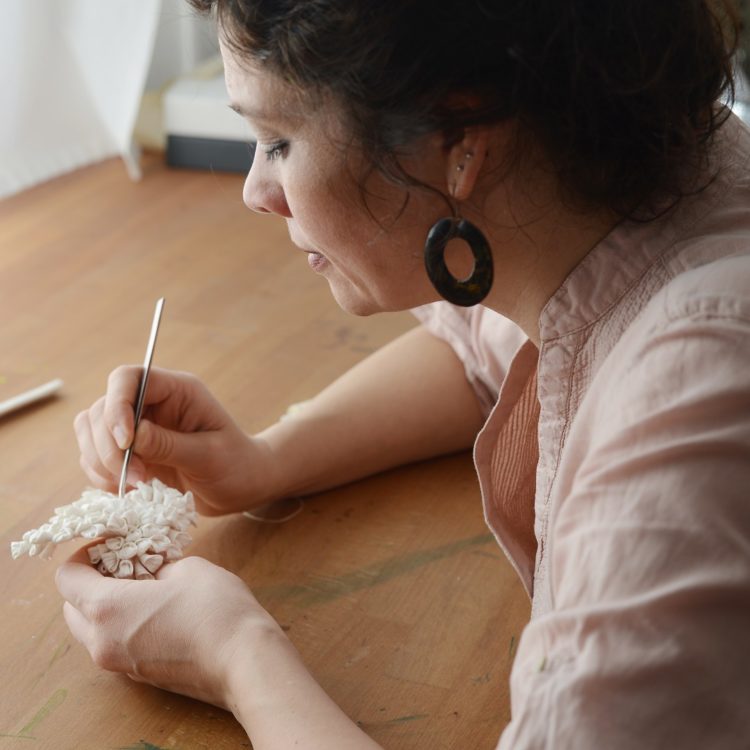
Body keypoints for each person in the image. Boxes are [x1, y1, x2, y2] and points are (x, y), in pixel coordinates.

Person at [55, 1, 750, 747]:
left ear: (457, 139)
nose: (256, 190)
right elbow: (483, 347)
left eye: (278, 140)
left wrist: (236, 657)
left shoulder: (692, 397)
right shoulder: (650, 180)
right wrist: (265, 459)